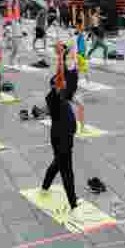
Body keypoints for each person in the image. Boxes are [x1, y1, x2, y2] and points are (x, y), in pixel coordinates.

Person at [41, 42, 80, 212]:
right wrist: (62, 57)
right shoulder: (58, 94)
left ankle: (45, 185)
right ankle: (73, 203)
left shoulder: (56, 93)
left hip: (62, 132)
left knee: (59, 162)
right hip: (62, 134)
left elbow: (65, 77)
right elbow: (64, 76)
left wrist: (65, 55)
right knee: (67, 169)